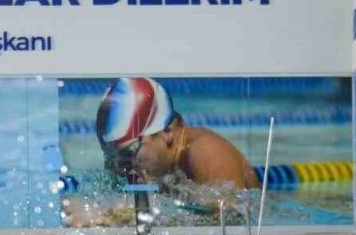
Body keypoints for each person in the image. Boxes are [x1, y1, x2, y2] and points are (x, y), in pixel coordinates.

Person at [62, 77, 260, 226]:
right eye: (112, 158)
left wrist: (121, 217)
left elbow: (229, 223)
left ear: (167, 132)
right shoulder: (134, 164)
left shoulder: (208, 153)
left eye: (129, 153)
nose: (122, 168)